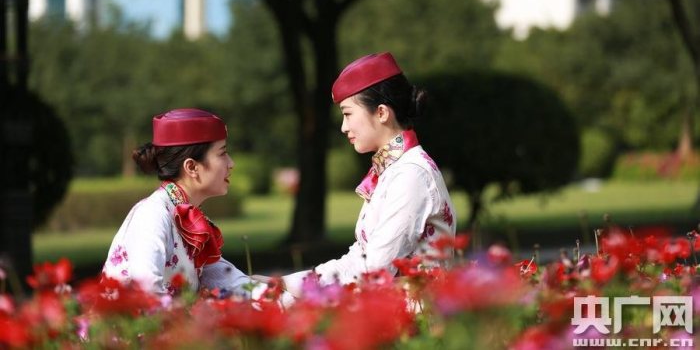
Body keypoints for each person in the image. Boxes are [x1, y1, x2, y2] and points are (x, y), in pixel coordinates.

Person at [282, 52, 457, 296]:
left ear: (382, 112)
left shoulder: (411, 175)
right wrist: (286, 285)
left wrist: (288, 291)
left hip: (416, 321)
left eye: (348, 114)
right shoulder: (394, 171)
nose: (344, 127)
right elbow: (359, 258)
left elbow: (374, 269)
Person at [103, 108, 261, 297]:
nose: (231, 163)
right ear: (192, 167)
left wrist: (284, 288)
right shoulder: (152, 215)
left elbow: (229, 281)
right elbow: (146, 292)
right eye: (222, 154)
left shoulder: (187, 217)